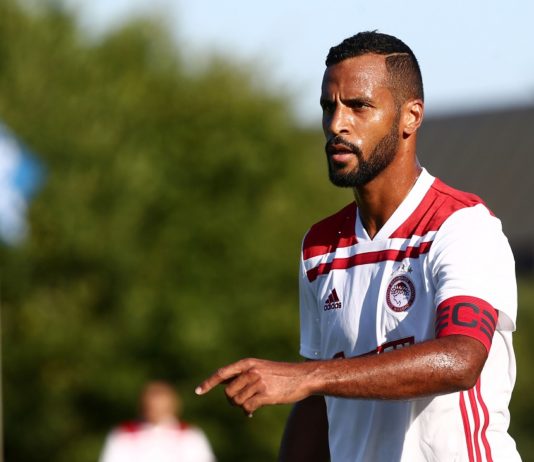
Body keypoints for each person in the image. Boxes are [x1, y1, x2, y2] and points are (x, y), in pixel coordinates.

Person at [195, 31, 520, 461]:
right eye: (328, 107)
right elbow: (317, 405)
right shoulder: (319, 247)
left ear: (410, 117)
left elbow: (462, 359)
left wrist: (310, 376)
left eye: (358, 106)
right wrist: (312, 380)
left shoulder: (462, 226)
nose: (337, 124)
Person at [100, 381, 216, 462]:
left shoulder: (190, 435)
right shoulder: (123, 434)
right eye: (151, 406)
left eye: (160, 407)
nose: (155, 410)